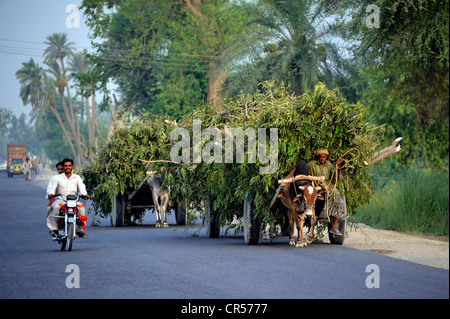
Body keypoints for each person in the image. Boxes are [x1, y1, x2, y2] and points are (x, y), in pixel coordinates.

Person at [47, 158, 90, 238]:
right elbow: (52, 189)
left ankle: (80, 230)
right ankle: (54, 228)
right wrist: (51, 194)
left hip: (74, 201)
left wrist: (85, 195)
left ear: (72, 166)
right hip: (61, 200)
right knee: (56, 207)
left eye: (69, 166)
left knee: (81, 208)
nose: (68, 167)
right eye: (66, 166)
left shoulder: (77, 178)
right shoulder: (57, 178)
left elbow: (82, 189)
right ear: (64, 167)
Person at [308, 148, 346, 235]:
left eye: (324, 157)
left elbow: (337, 177)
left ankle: (334, 226)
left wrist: (338, 166)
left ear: (326, 157)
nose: (322, 159)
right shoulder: (311, 165)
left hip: (328, 189)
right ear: (318, 157)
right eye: (321, 157)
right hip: (316, 189)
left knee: (337, 195)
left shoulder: (329, 166)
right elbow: (305, 174)